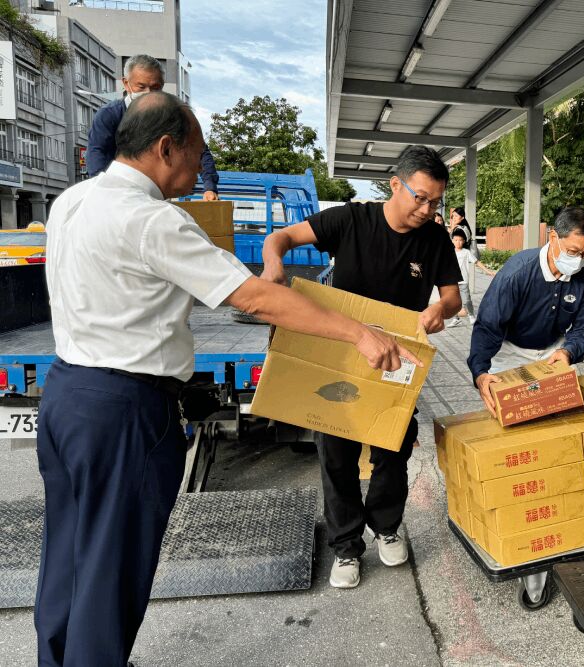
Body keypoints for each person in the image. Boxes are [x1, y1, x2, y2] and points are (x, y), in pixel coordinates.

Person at [35, 92, 417, 666]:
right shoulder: (151, 220)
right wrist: (359, 334)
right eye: (196, 153)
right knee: (111, 569)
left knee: (67, 553)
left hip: (66, 394)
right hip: (123, 411)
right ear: (165, 148)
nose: (200, 168)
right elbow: (255, 298)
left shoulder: (72, 201)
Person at [260, 145, 462, 589]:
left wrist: (439, 309)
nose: (427, 210)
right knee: (337, 453)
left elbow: (453, 296)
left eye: (435, 202)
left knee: (394, 446)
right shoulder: (350, 220)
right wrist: (272, 265)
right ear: (396, 184)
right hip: (342, 352)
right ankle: (346, 547)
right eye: (420, 198)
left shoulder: (433, 239)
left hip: (399, 359)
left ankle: (386, 527)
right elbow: (281, 239)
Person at [468, 207, 584, 413]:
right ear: (554, 236)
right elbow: (489, 323)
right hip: (512, 350)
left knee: (566, 414)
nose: (578, 261)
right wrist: (480, 372)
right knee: (509, 414)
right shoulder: (518, 271)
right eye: (573, 252)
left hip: (555, 351)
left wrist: (568, 351)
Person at [86, 54, 220, 201]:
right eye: (141, 87)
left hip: (157, 193)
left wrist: (209, 187)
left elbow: (197, 148)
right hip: (116, 193)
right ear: (126, 84)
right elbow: (97, 156)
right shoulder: (109, 115)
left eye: (155, 88)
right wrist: (104, 194)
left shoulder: (170, 116)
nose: (148, 93)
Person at [446, 227, 495, 328]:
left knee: (466, 300)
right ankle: (456, 318)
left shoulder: (466, 252)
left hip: (463, 280)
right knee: (453, 301)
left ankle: (471, 315)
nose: (458, 242)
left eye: (460, 240)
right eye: (456, 240)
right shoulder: (449, 252)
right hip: (452, 281)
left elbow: (477, 262)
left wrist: (488, 271)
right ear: (452, 240)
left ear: (464, 241)